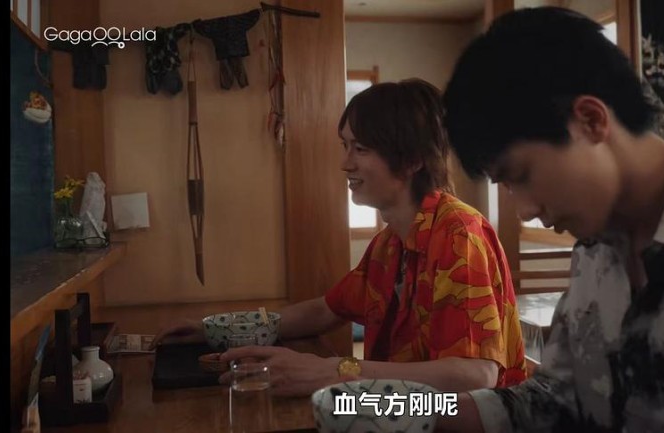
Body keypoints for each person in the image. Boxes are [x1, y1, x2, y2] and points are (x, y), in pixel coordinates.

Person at [437, 7, 664, 432]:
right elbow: (551, 403)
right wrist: (394, 406)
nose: (524, 209)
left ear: (591, 121)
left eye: (520, 176)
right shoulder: (595, 252)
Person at [153, 78, 527, 397]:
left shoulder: (459, 234)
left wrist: (336, 370)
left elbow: (473, 376)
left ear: (412, 160)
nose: (345, 163)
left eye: (360, 149)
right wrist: (214, 328)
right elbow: (326, 310)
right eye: (345, 146)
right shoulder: (390, 243)